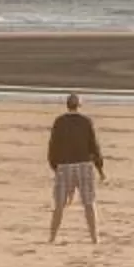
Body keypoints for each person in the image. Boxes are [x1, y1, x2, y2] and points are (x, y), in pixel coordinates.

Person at [47, 93, 104, 244]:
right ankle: (95, 238)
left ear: (67, 105)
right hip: (84, 165)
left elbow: (53, 146)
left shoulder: (59, 121)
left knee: (59, 204)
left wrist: (55, 166)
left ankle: (52, 237)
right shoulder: (86, 121)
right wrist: (100, 167)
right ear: (79, 105)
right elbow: (94, 146)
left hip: (64, 165)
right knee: (89, 203)